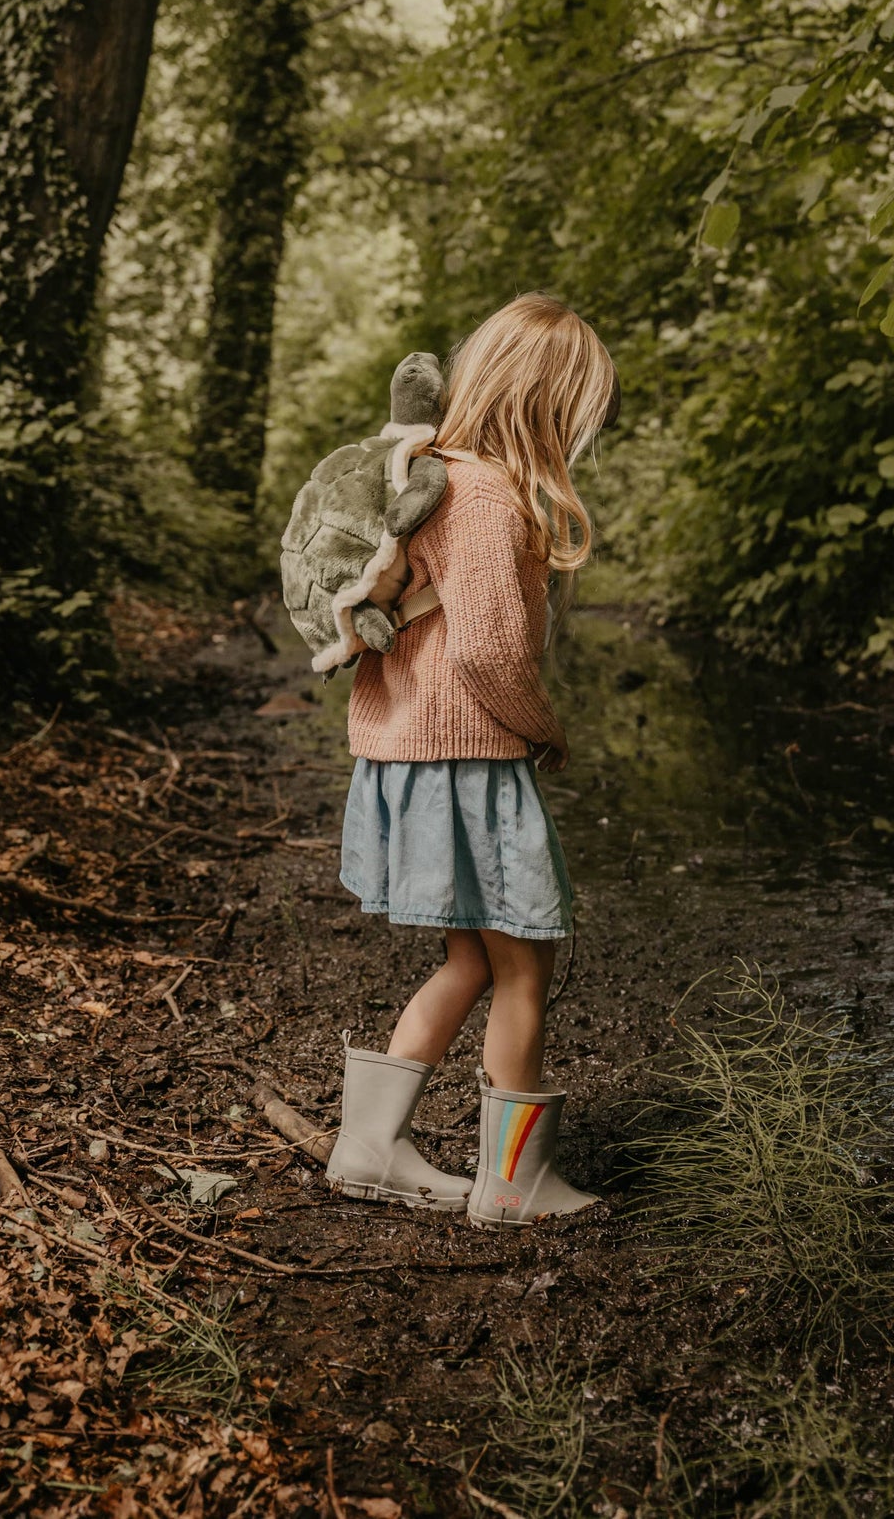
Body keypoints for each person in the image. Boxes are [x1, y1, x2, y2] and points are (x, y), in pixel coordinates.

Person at [326, 293, 619, 1227]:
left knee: (471, 958)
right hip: (468, 757)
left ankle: (369, 1148)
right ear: (545, 403)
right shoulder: (487, 494)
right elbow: (491, 651)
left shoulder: (433, 474)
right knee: (525, 960)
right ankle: (513, 1184)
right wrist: (544, 727)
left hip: (411, 749)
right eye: (578, 408)